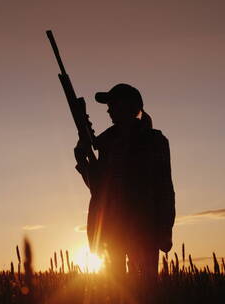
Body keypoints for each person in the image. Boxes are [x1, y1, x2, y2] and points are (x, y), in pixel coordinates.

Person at [74, 83, 175, 278]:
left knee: (146, 291)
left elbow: (165, 188)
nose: (109, 109)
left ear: (130, 106)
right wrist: (82, 158)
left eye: (114, 104)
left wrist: (165, 229)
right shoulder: (107, 143)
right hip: (112, 231)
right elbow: (99, 189)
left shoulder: (154, 141)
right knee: (116, 291)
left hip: (144, 229)